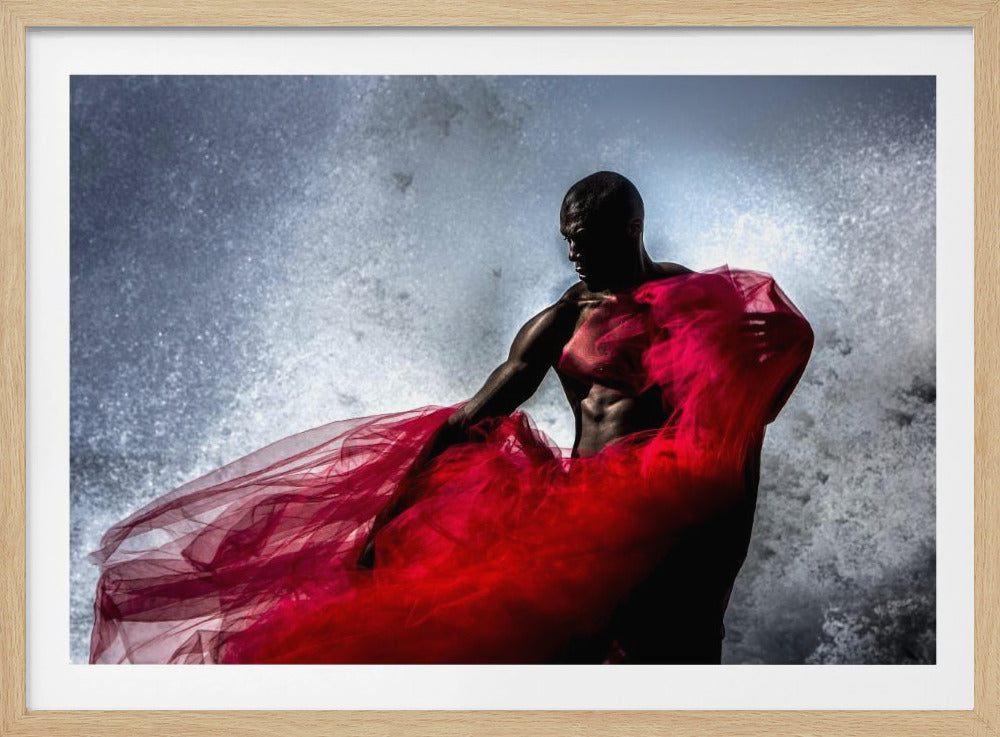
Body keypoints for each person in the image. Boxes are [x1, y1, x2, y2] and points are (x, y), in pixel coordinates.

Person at [89, 171, 813, 665]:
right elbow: (470, 418)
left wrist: (786, 342)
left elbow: (740, 399)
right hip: (585, 517)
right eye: (566, 238)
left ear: (632, 228)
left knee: (678, 663)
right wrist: (388, 512)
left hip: (669, 522)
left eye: (587, 239)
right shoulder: (562, 320)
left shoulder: (693, 299)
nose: (573, 253)